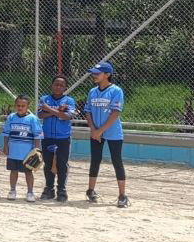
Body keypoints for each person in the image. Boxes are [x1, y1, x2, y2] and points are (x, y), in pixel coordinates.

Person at [84, 61, 129, 208]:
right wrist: (93, 130)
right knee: (95, 160)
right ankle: (90, 190)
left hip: (112, 132)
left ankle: (122, 195)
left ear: (107, 74)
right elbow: (88, 111)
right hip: (96, 132)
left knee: (117, 161)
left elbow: (115, 113)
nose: (94, 76)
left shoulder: (116, 91)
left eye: (97, 73)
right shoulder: (92, 92)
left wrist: (100, 130)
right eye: (94, 73)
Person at [38, 75, 76, 202]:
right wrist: (58, 111)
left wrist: (49, 109)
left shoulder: (69, 101)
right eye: (56, 84)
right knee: (48, 163)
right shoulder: (44, 98)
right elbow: (40, 115)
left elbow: (67, 116)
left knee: (62, 164)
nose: (58, 87)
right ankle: (49, 189)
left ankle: (62, 190)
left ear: (65, 87)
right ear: (52, 85)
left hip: (63, 138)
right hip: (47, 137)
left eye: (61, 85)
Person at [4, 95, 43, 202]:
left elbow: (37, 135)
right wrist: (6, 146)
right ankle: (12, 190)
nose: (20, 108)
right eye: (18, 105)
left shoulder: (32, 119)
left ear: (28, 106)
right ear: (15, 106)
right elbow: (6, 133)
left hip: (27, 153)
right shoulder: (11, 117)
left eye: (23, 106)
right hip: (13, 151)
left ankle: (30, 192)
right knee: (13, 171)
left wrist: (36, 150)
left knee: (28, 172)